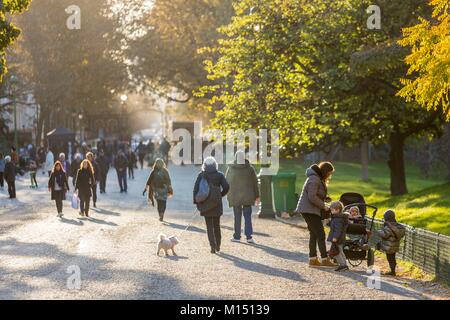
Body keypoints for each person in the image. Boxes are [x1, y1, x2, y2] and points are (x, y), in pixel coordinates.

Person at [295, 162, 337, 267]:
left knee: (314, 234)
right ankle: (324, 259)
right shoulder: (314, 179)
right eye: (329, 173)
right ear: (325, 171)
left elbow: (316, 194)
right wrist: (323, 206)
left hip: (309, 209)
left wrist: (325, 198)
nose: (329, 176)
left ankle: (313, 259)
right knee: (321, 234)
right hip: (309, 210)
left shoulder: (316, 178)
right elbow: (312, 197)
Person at [193, 157, 229, 254]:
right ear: (215, 165)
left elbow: (195, 189)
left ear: (204, 165)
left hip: (205, 203)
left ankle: (212, 246)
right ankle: (218, 245)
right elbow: (226, 187)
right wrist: (220, 195)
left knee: (209, 225)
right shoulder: (219, 175)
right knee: (217, 225)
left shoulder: (201, 175)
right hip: (216, 203)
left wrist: (196, 202)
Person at [225, 151, 260, 244]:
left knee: (237, 216)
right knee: (247, 216)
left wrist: (227, 194)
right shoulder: (250, 169)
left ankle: (237, 236)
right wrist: (257, 196)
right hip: (248, 196)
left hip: (235, 196)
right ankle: (249, 237)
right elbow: (255, 183)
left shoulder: (231, 168)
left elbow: (226, 182)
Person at [375, 210, 406, 276]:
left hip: (388, 246)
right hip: (395, 245)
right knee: (393, 258)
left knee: (390, 258)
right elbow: (401, 234)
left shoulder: (388, 226)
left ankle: (392, 272)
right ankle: (393, 270)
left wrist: (379, 231)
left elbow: (385, 235)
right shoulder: (398, 226)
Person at [327, 201, 349, 272]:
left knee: (337, 253)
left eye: (332, 210)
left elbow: (338, 230)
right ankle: (344, 265)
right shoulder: (338, 218)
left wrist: (335, 238)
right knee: (340, 252)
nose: (331, 211)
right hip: (340, 238)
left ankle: (342, 265)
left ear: (337, 210)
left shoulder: (338, 219)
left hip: (337, 239)